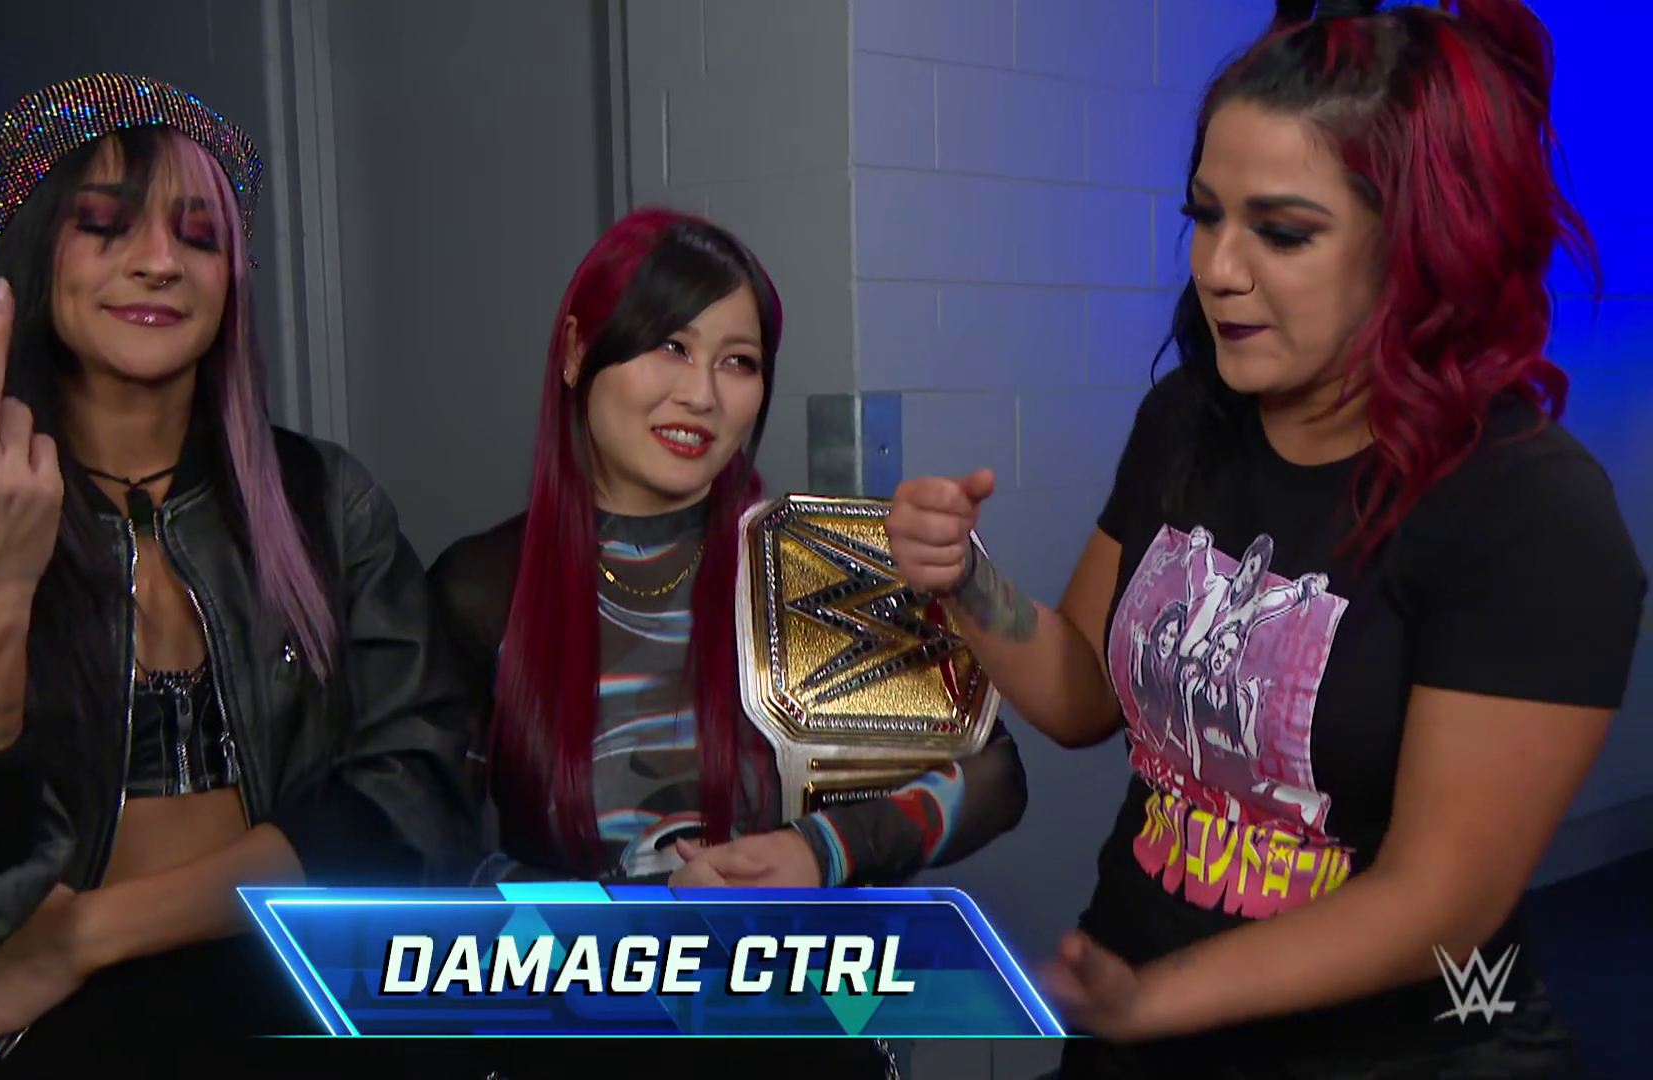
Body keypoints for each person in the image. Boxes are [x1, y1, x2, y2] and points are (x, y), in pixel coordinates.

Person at [885, 1, 1645, 1076]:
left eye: (1281, 232)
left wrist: (1160, 999)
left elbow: (1442, 900)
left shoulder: (1528, 509)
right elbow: (1083, 697)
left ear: (1421, 247)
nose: (1217, 267)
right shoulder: (1187, 421)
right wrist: (966, 578)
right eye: (1205, 216)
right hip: (1137, 1023)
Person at [0, 74, 474, 1072]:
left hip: (307, 1007)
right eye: (105, 225)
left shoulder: (325, 502)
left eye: (198, 234)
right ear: (36, 255)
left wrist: (85, 936)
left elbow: (417, 800)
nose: (160, 261)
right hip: (53, 1042)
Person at [424, 206, 1031, 1078]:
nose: (701, 396)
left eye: (737, 362)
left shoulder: (813, 569)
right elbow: (423, 864)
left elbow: (995, 776)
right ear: (576, 352)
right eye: (670, 345)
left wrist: (819, 851)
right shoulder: (482, 590)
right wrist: (630, 912)